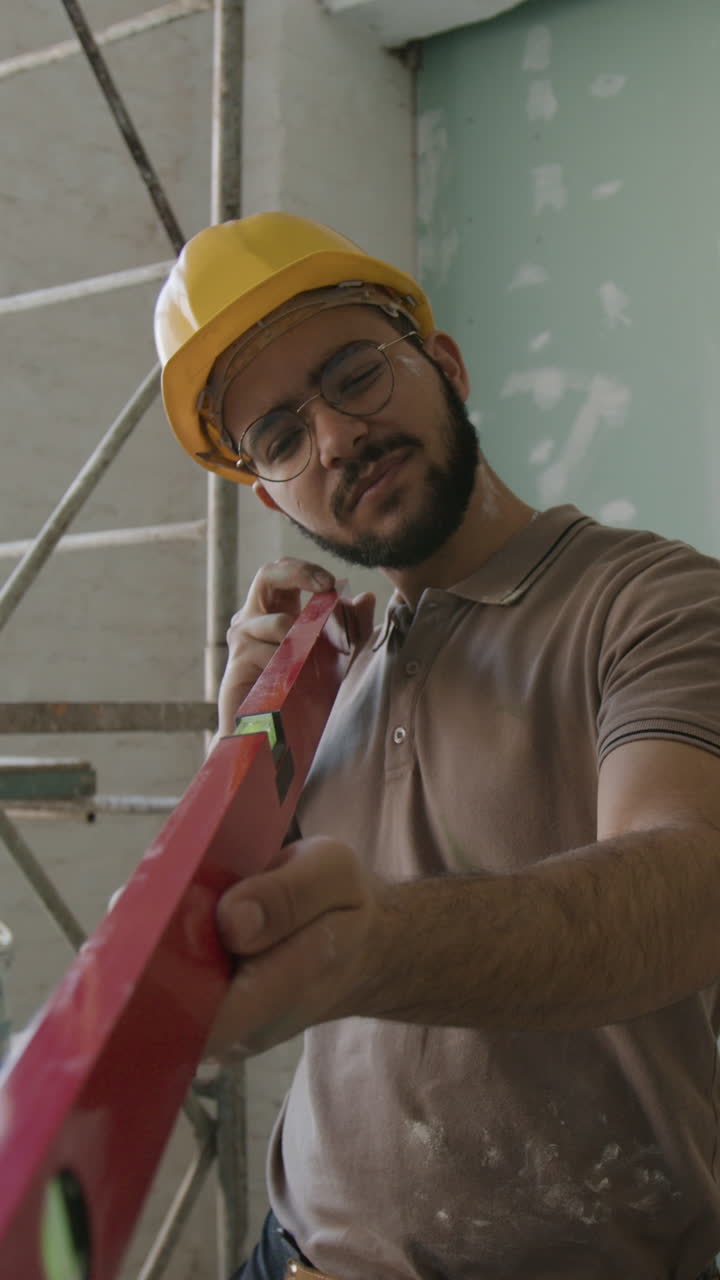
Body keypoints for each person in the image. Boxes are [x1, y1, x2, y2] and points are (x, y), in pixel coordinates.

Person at [154, 212, 720, 1280]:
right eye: (280, 436)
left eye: (355, 373)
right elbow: (245, 926)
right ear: (271, 491)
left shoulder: (653, 602)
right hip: (294, 1256)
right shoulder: (339, 670)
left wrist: (375, 950)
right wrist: (244, 746)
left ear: (444, 365)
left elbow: (694, 887)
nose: (332, 436)